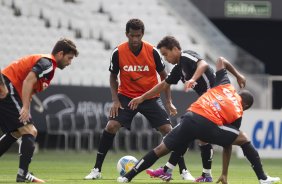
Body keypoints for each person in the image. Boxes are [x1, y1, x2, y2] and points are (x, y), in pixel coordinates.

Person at [117, 54, 281, 184]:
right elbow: (227, 145)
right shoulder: (238, 111)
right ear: (245, 106)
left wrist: (238, 75)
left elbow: (220, 60)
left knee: (160, 150)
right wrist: (224, 173)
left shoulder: (225, 85)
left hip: (190, 116)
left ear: (238, 93)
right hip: (207, 124)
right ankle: (263, 178)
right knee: (243, 138)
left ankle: (127, 177)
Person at [84, 19, 194, 181]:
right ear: (126, 34)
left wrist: (168, 101)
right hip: (126, 97)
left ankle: (183, 171)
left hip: (150, 96)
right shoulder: (118, 52)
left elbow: (166, 78)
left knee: (169, 131)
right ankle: (96, 169)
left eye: (138, 35)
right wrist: (115, 100)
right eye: (132, 35)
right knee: (111, 125)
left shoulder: (153, 51)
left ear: (142, 34)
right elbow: (113, 77)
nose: (135, 39)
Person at [128, 35, 246, 182]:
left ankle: (168, 170)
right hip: (209, 105)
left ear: (176, 49)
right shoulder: (178, 69)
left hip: (216, 101)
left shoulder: (186, 55)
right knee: (197, 137)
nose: (165, 58)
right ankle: (203, 175)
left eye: (166, 54)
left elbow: (203, 65)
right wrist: (142, 98)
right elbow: (164, 85)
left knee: (186, 132)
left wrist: (192, 79)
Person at [0, 38, 79, 183]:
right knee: (30, 131)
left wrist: (27, 102)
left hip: (9, 88)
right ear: (60, 54)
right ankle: (23, 175)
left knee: (16, 132)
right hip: (7, 87)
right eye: (69, 58)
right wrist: (25, 107)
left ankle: (24, 173)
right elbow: (28, 81)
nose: (70, 62)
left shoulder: (48, 66)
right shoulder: (48, 63)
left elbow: (29, 86)